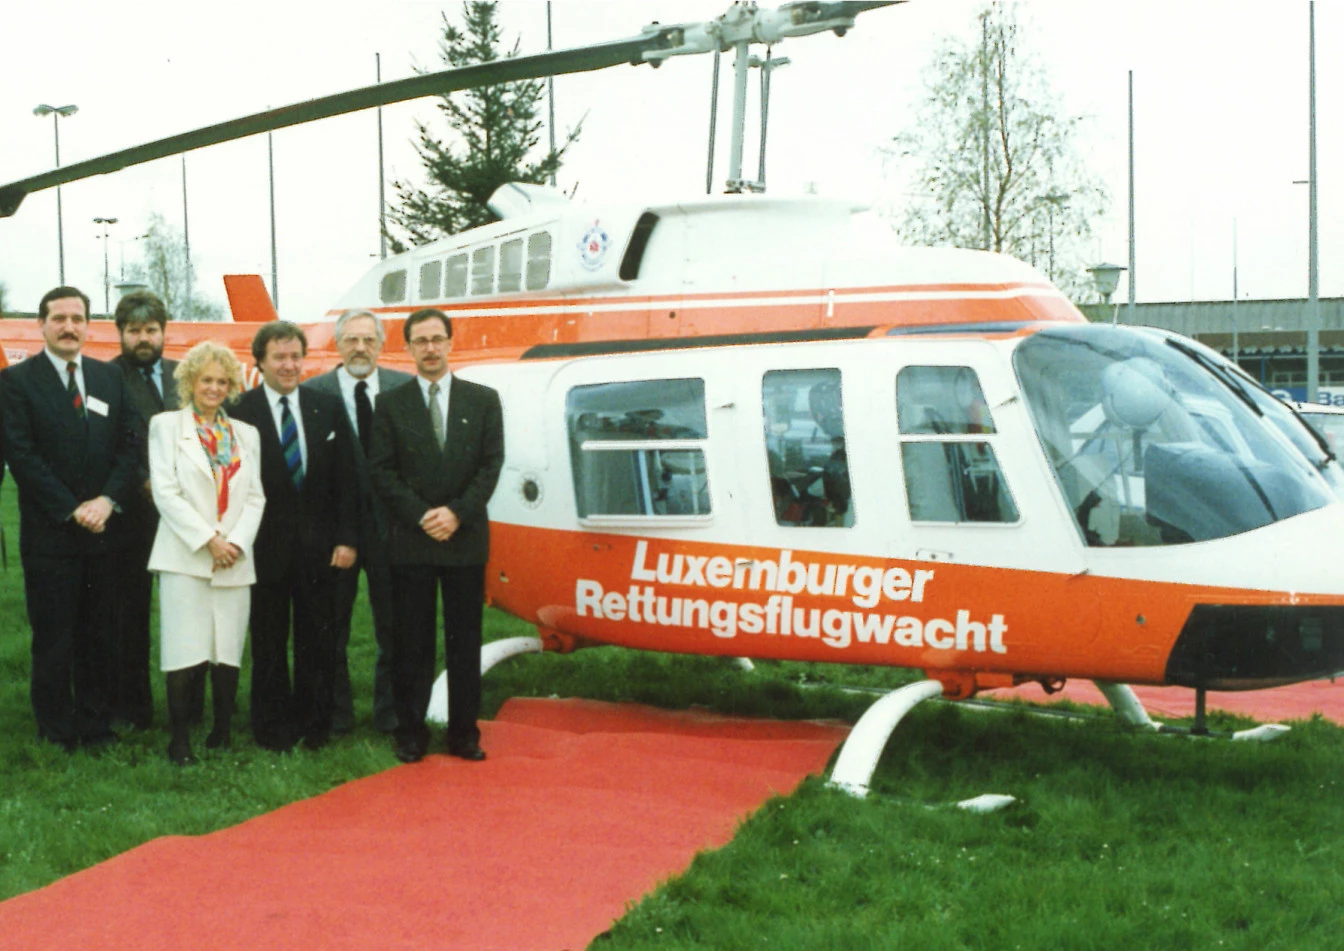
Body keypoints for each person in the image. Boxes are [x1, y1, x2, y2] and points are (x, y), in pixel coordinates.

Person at [0, 286, 139, 752]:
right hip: (51, 534)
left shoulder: (108, 377)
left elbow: (129, 446)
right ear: (41, 324)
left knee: (100, 633)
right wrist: (71, 507)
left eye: (77, 318)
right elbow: (22, 456)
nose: (68, 327)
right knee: (54, 636)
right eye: (58, 318)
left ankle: (96, 725)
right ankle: (56, 728)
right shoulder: (16, 382)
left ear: (88, 326)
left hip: (103, 531)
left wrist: (107, 500)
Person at [369, 308, 503, 765]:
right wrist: (423, 515)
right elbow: (382, 470)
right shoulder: (390, 404)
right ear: (408, 348)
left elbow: (491, 465)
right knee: (413, 644)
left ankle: (464, 734)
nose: (430, 348)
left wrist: (457, 514)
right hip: (412, 540)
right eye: (420, 341)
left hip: (465, 539)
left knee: (464, 643)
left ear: (450, 343)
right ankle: (411, 732)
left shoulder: (483, 400)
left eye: (437, 339)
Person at [231, 322, 358, 751]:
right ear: (260, 362)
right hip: (263, 547)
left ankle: (314, 724)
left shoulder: (327, 407)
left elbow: (347, 478)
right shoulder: (239, 411)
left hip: (321, 550)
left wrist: (347, 539)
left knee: (317, 641)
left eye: (295, 357)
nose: (289, 365)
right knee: (268, 643)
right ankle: (271, 729)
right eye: (279, 357)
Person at [147, 341, 264, 765]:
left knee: (227, 648)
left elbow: (255, 497)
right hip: (185, 556)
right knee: (184, 648)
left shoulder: (246, 434)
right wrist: (208, 540)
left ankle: (222, 731)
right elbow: (166, 492)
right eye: (206, 380)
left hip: (234, 558)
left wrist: (235, 543)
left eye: (222, 381)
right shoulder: (166, 426)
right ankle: (179, 740)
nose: (214, 388)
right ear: (190, 382)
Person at [301, 308, 412, 734]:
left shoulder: (404, 389)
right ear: (338, 344)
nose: (360, 348)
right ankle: (335, 715)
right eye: (351, 340)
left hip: (393, 532)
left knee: (395, 628)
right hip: (335, 535)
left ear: (381, 344)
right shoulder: (315, 393)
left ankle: (393, 715)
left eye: (368, 339)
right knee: (331, 627)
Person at [109, 290, 180, 729]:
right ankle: (132, 709)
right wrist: (143, 481)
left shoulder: (182, 375)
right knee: (129, 614)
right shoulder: (107, 377)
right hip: (133, 515)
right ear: (121, 333)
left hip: (182, 515)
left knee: (184, 612)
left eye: (151, 329)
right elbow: (112, 441)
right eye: (134, 330)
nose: (143, 338)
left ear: (163, 332)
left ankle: (187, 706)